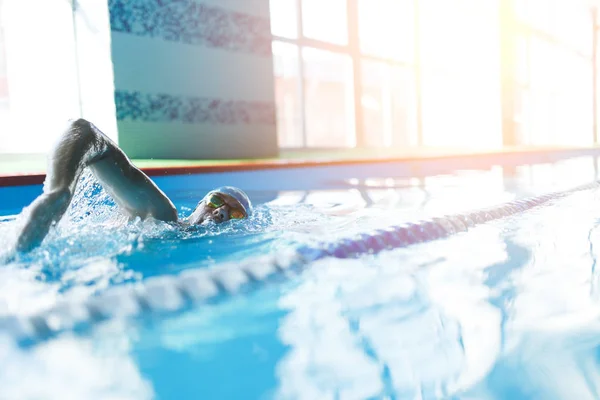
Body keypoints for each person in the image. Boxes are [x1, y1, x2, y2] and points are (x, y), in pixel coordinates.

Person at [15, 119, 252, 253]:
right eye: (217, 201)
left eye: (236, 213)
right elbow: (84, 130)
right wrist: (61, 190)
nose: (222, 212)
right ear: (201, 202)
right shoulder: (160, 214)